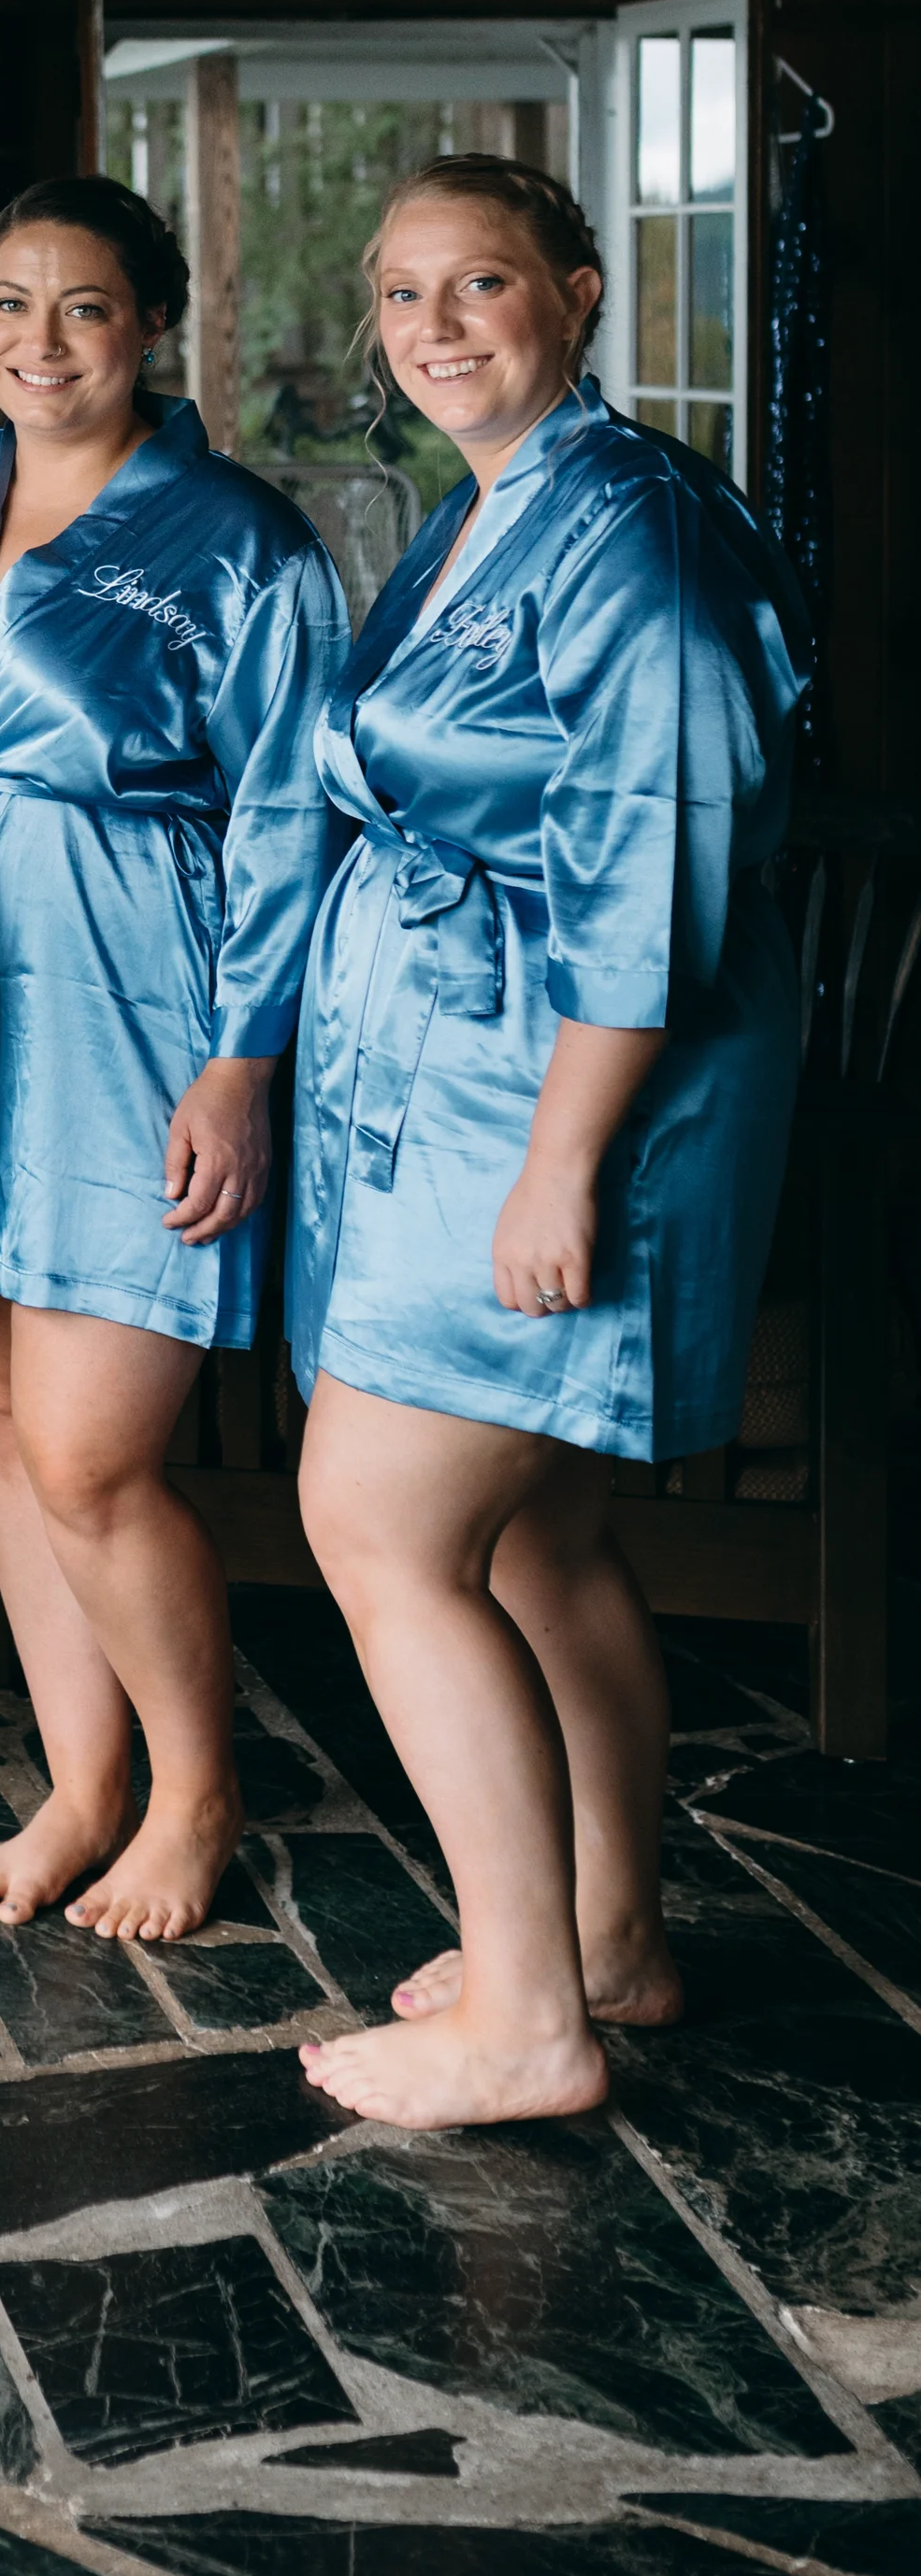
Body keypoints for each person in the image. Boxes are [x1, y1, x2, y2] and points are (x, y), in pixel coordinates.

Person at [286, 154, 808, 2128]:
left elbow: (645, 868)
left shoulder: (636, 533)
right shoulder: (494, 512)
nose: (431, 327)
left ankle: (521, 2025)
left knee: (379, 1520)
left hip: (563, 1086)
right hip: (461, 1071)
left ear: (574, 295)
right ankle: (602, 1941)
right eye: (400, 294)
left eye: (477, 283)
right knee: (532, 1528)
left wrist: (558, 1163)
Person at [0, 177, 349, 1939]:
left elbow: (288, 817)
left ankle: (197, 1794)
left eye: (86, 310)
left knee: (93, 1454)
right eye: (9, 306)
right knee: (6, 1412)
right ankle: (84, 1784)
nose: (40, 344)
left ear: (152, 329)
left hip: (132, 1000)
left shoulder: (238, 538)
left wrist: (240, 1065)